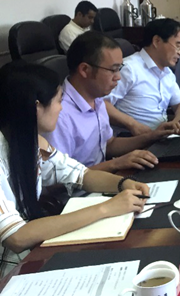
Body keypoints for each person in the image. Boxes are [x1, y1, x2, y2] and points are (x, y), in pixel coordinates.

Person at [0, 63, 149, 259]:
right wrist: (107, 208)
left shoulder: (33, 142)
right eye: (58, 101)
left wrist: (123, 183)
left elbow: (82, 175)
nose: (61, 108)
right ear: (36, 108)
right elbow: (17, 237)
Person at [49, 33, 175, 172]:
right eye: (113, 70)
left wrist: (151, 137)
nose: (118, 77)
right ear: (85, 70)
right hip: (82, 186)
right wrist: (115, 164)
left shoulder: (96, 98)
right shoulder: (59, 115)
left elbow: (109, 144)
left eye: (119, 69)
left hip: (102, 177)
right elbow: (59, 179)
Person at [105, 19, 180, 135]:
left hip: (158, 136)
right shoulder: (129, 69)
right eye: (178, 46)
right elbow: (101, 103)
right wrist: (132, 124)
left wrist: (176, 124)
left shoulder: (167, 72)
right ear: (157, 41)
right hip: (132, 138)